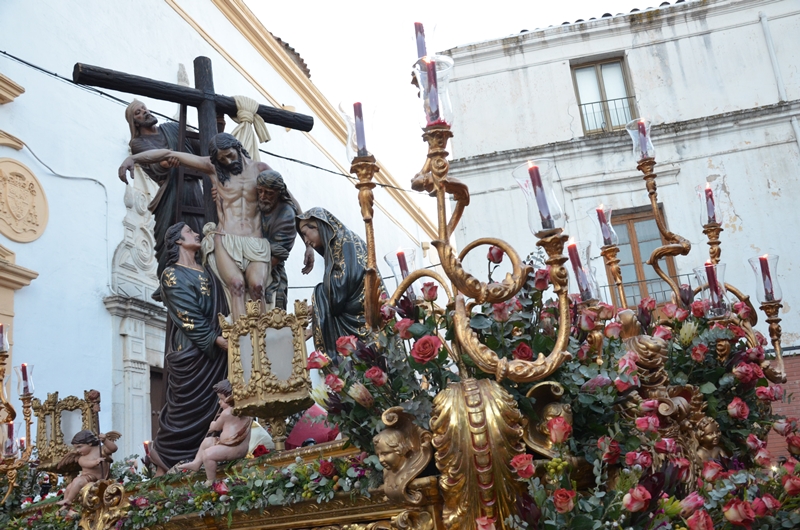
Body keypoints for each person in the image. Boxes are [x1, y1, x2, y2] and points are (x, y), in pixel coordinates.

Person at [119, 133, 313, 319]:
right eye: (222, 159)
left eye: (230, 155)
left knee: (257, 288)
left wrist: (308, 244)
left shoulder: (260, 168)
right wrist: (134, 159)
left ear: (237, 147)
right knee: (236, 286)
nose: (228, 162)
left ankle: (260, 343)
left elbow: (291, 200)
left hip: (256, 241)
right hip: (226, 238)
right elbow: (170, 154)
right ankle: (241, 343)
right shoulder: (213, 168)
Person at [149, 222, 229, 474]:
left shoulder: (208, 270)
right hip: (193, 353)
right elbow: (187, 314)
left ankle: (210, 456)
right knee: (183, 411)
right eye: (189, 232)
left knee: (217, 405)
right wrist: (217, 340)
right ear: (178, 242)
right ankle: (166, 458)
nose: (196, 234)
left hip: (216, 356)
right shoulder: (172, 273)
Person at [122, 100, 203, 300]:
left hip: (193, 186)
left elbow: (201, 146)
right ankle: (169, 278)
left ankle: (202, 268)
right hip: (172, 190)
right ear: (135, 123)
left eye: (145, 109)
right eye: (139, 113)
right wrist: (169, 162)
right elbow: (159, 165)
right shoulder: (137, 143)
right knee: (170, 234)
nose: (145, 113)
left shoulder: (172, 128)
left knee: (202, 229)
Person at [296, 208, 378, 360]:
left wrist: (318, 305)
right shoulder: (338, 246)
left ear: (318, 226)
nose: (306, 241)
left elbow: (341, 290)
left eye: (305, 234)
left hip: (364, 319)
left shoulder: (344, 242)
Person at [177, 380, 252, 484]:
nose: (219, 402)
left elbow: (216, 427)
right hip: (227, 445)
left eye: (222, 399)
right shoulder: (244, 411)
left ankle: (211, 480)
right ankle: (196, 463)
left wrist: (213, 425)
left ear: (230, 398)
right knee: (207, 441)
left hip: (234, 448)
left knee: (207, 455)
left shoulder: (227, 413)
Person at [256, 170, 304, 310]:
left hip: (271, 276)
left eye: (269, 193)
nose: (263, 196)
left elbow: (274, 259)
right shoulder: (255, 200)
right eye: (260, 191)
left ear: (279, 193)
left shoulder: (286, 215)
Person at [56, 430, 119, 506]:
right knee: (69, 487)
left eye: (79, 446)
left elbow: (113, 449)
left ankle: (69, 500)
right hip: (86, 478)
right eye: (76, 448)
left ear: (89, 443)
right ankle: (66, 503)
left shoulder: (101, 450)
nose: (77, 450)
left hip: (94, 479)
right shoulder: (82, 458)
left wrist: (105, 440)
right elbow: (86, 464)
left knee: (77, 481)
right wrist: (95, 462)